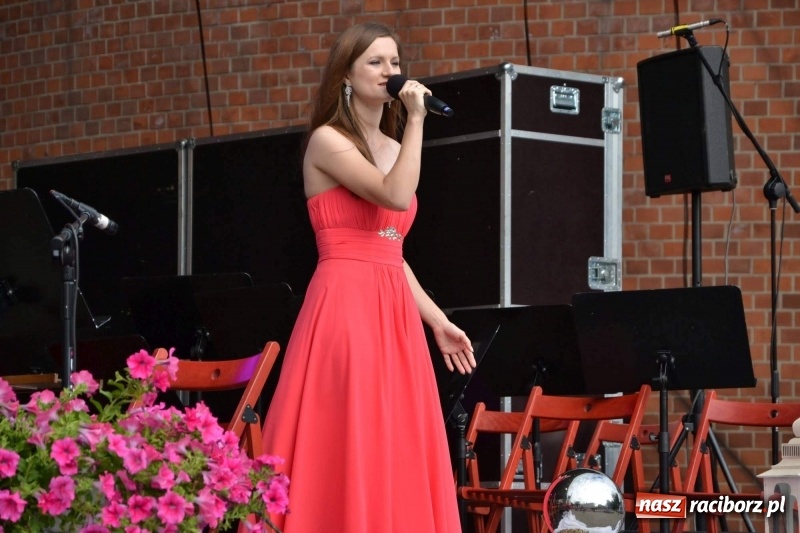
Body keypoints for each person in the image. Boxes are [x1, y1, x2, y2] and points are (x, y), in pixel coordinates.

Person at [260, 21, 477, 532]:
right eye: (375, 62)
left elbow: (391, 252)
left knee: (393, 437)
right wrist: (418, 121)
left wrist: (437, 320)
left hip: (393, 309)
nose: (390, 72)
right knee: (348, 431)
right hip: (345, 306)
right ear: (346, 77)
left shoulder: (392, 143)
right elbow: (394, 197)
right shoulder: (327, 142)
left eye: (395, 62)